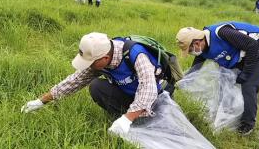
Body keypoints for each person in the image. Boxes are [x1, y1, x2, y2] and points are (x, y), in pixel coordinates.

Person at [21, 32, 164, 135]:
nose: (88, 66)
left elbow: (149, 89)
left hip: (155, 100)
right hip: (129, 95)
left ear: (105, 58)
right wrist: (41, 101)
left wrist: (128, 119)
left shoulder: (136, 54)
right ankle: (124, 121)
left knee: (149, 118)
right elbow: (75, 81)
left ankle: (130, 121)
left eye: (91, 63)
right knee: (97, 86)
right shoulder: (100, 61)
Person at [176, 22, 259, 136]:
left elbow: (252, 46)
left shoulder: (221, 33)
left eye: (190, 50)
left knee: (249, 84)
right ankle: (229, 117)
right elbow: (194, 70)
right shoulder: (202, 51)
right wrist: (182, 82)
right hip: (244, 53)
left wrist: (246, 73)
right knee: (224, 83)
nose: (191, 53)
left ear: (197, 42)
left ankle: (247, 125)